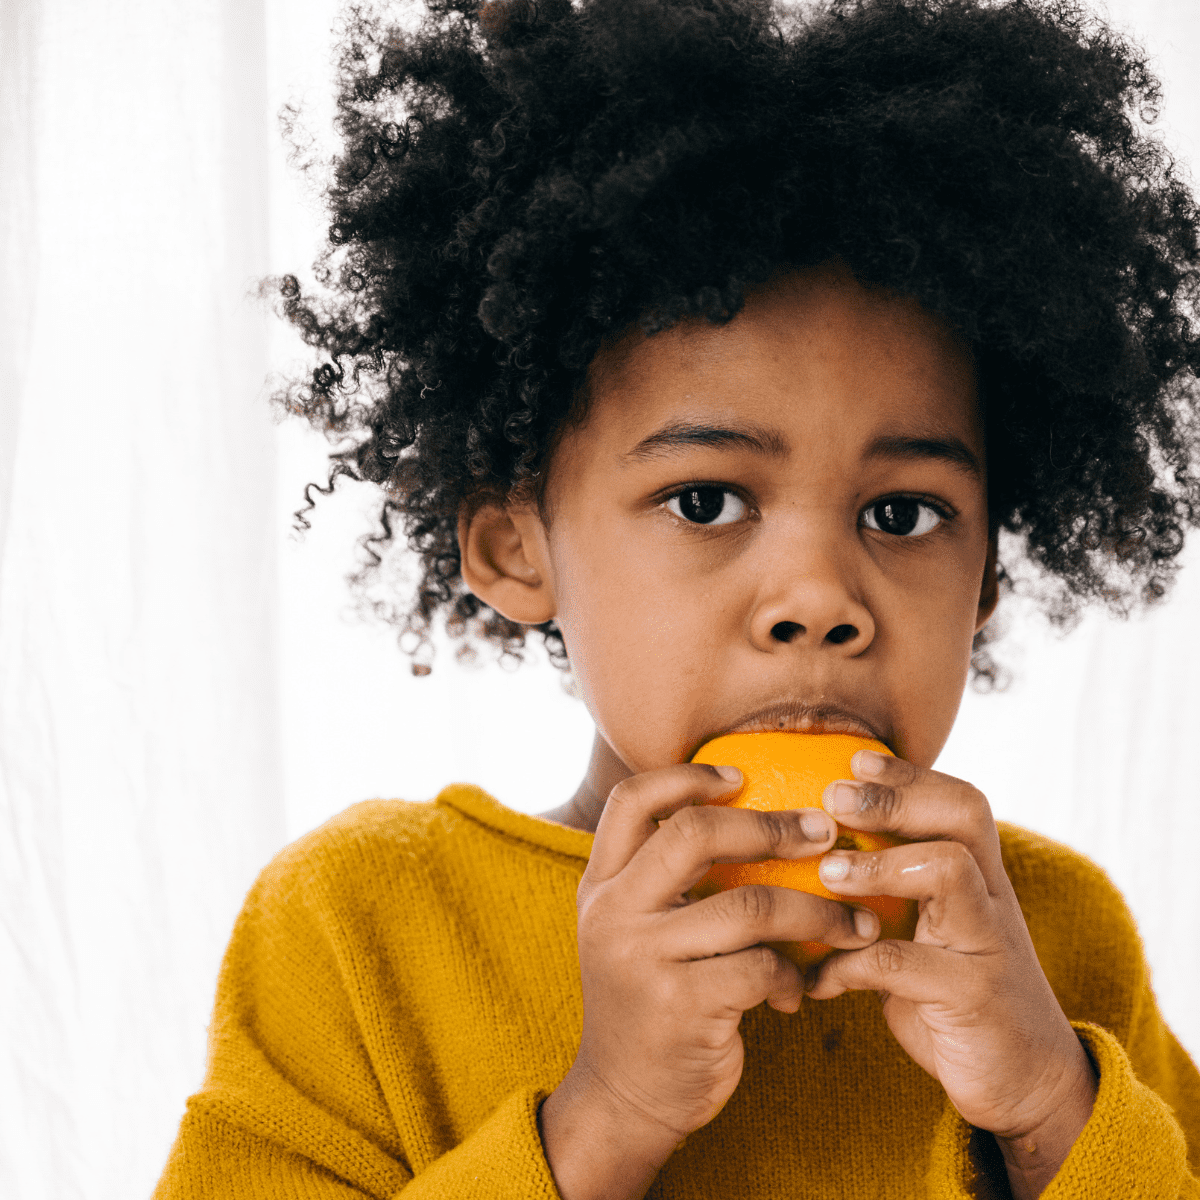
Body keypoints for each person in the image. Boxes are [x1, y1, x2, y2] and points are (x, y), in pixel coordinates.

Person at [155, 0, 1200, 1196]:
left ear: (988, 582)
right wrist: (604, 1120)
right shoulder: (360, 928)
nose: (819, 599)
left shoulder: (1057, 940)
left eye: (901, 514)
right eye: (707, 500)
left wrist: (1055, 1112)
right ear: (512, 547)